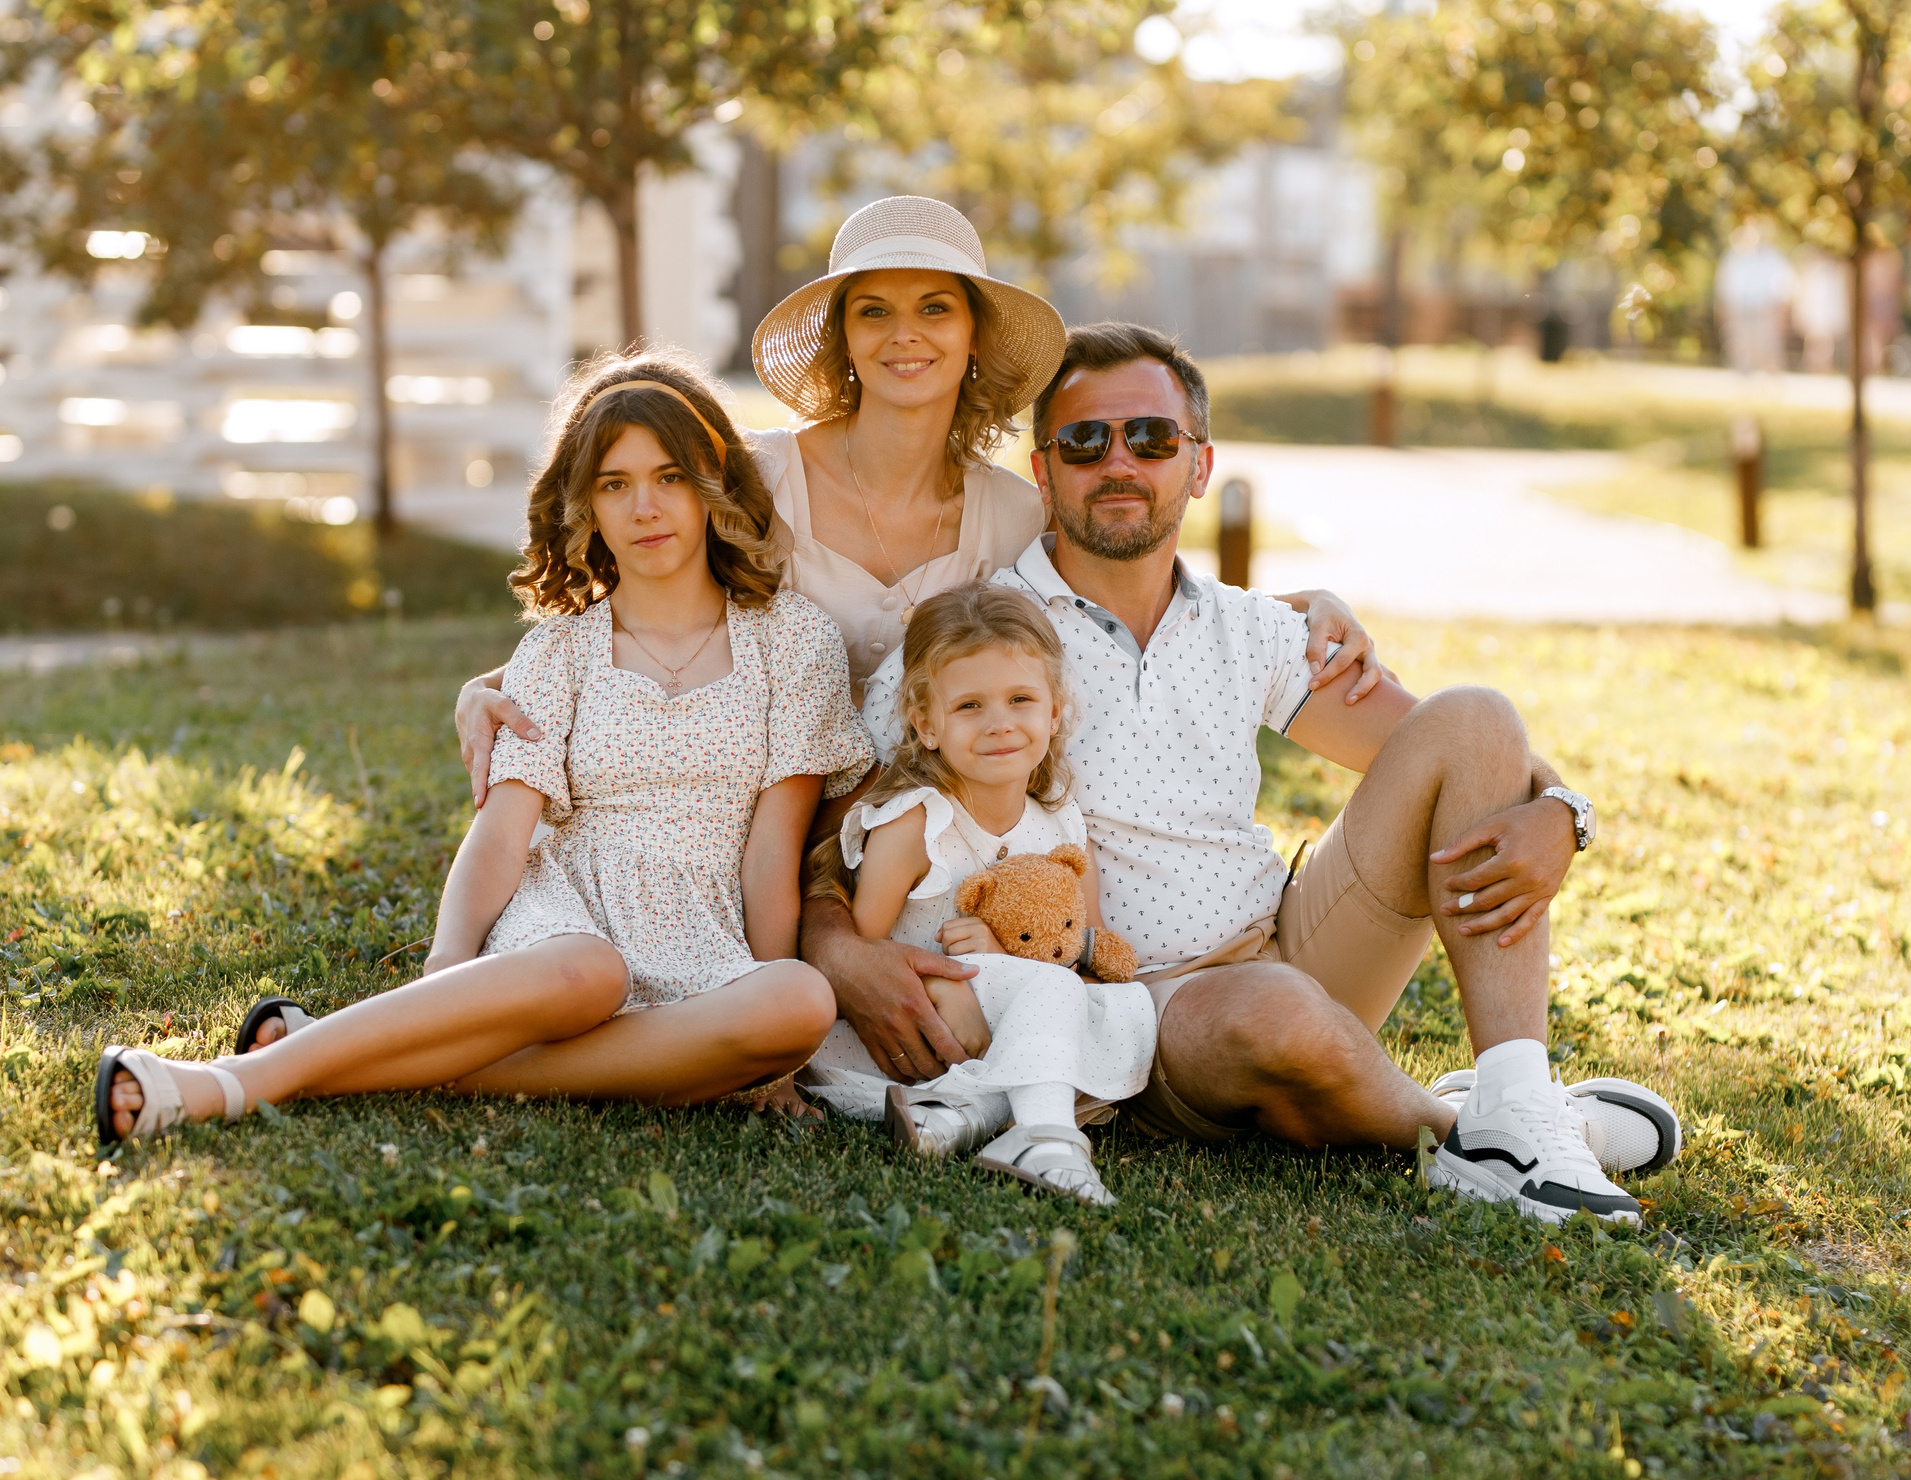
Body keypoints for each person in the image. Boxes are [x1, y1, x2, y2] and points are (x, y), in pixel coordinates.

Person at [440, 200, 1387, 1043]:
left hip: (906, 839)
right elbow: (635, 596)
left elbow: (1116, 571)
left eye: (936, 307)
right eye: (873, 310)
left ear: (973, 335)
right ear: (842, 339)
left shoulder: (1012, 513)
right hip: (747, 836)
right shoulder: (761, 478)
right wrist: (492, 686)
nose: (906, 335)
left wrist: (1298, 609)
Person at [825, 322, 1679, 1227]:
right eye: (1084, 441)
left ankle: (1518, 1092)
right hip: (1137, 1010)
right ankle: (1488, 1131)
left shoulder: (1250, 626)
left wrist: (1562, 809)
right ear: (1044, 472)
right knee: (1272, 1013)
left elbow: (1455, 747)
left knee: (1476, 713)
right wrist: (841, 950)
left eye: (1151, 437)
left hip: (1289, 940)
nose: (1119, 462)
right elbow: (840, 835)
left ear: (1199, 465)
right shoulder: (979, 641)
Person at [92, 353, 872, 1148]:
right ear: (585, 507)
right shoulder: (559, 651)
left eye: (669, 476)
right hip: (568, 929)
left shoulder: (792, 641)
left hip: (706, 940)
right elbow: (502, 831)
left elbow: (771, 853)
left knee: (799, 1001)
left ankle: (407, 1057)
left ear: (713, 483)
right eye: (615, 484)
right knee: (590, 972)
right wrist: (447, 966)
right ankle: (235, 1080)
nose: (645, 507)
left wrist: (778, 1062)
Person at [801, 581, 1155, 1205]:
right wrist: (962, 980)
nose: (999, 724)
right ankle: (1046, 1138)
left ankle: (964, 1113)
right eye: (969, 706)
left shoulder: (1061, 821)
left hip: (1006, 1029)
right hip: (914, 1039)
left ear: (1054, 712)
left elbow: (1084, 949)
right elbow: (866, 961)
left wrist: (1007, 958)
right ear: (926, 724)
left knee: (1128, 1007)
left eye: (1021, 699)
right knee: (1055, 993)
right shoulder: (917, 823)